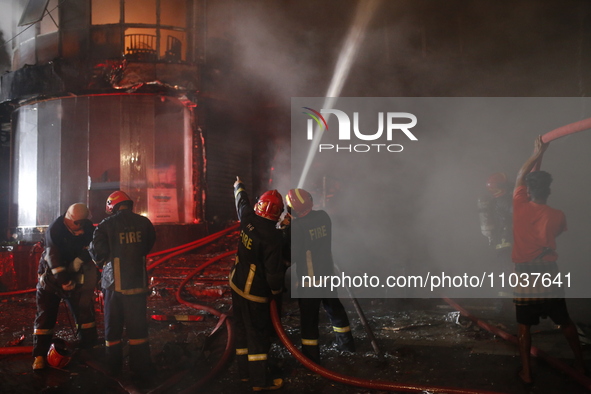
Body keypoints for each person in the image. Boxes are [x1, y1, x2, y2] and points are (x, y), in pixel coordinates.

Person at [512, 136, 585, 385]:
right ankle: (581, 365)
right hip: (548, 271)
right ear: (549, 190)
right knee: (564, 321)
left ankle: (527, 373)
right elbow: (557, 232)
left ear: (528, 191)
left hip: (524, 273)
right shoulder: (558, 215)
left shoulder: (519, 205)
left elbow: (520, 175)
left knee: (524, 327)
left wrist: (536, 153)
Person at [89, 191, 156, 381]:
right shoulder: (144, 223)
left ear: (112, 205)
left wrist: (104, 263)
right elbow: (148, 245)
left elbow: (97, 251)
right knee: (138, 329)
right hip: (138, 284)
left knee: (113, 329)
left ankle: (113, 368)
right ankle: (141, 367)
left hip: (114, 286)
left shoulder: (106, 225)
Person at [285, 188, 355, 364]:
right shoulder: (324, 217)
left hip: (310, 282)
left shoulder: (298, 227)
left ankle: (311, 359)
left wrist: (286, 231)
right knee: (335, 311)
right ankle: (347, 346)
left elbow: (293, 256)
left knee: (309, 322)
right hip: (328, 276)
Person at [230, 176, 285, 391]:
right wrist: (277, 291)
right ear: (278, 213)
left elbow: (241, 202)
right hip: (254, 293)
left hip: (237, 284)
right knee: (258, 338)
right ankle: (259, 383)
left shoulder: (247, 218)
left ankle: (244, 375)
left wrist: (238, 186)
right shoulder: (273, 237)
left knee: (242, 331)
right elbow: (273, 274)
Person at [33, 203, 99, 370]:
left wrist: (80, 260)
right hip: (52, 278)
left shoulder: (87, 227)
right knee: (46, 316)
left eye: (83, 223)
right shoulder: (55, 230)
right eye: (77, 223)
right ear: (68, 219)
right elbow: (53, 258)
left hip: (76, 275)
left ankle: (90, 348)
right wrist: (64, 280)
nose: (81, 227)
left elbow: (94, 246)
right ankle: (39, 356)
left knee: (84, 312)